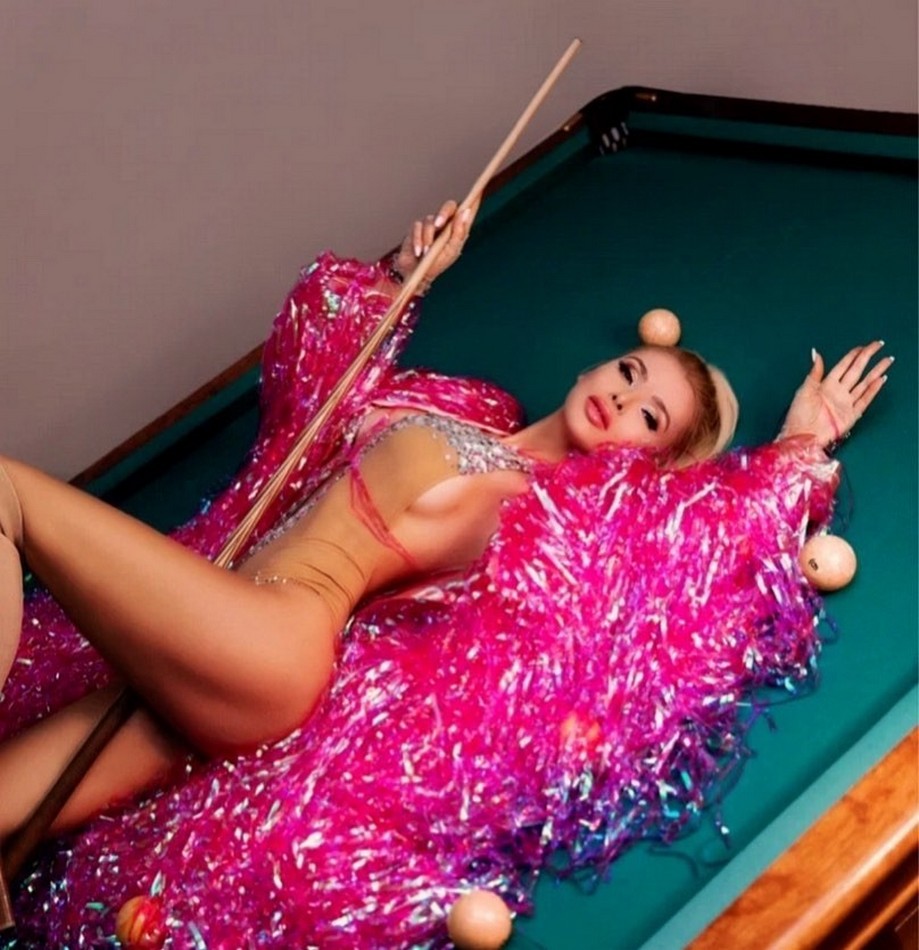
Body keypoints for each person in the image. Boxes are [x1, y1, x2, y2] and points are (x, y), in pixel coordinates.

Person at [0, 199, 891, 948]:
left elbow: (703, 543)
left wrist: (797, 449)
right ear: (595, 364)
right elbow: (317, 401)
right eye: (628, 373)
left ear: (641, 466)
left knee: (6, 492)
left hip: (271, 644)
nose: (622, 397)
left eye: (648, 416)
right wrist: (402, 279)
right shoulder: (458, 406)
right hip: (206, 634)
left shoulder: (557, 523)